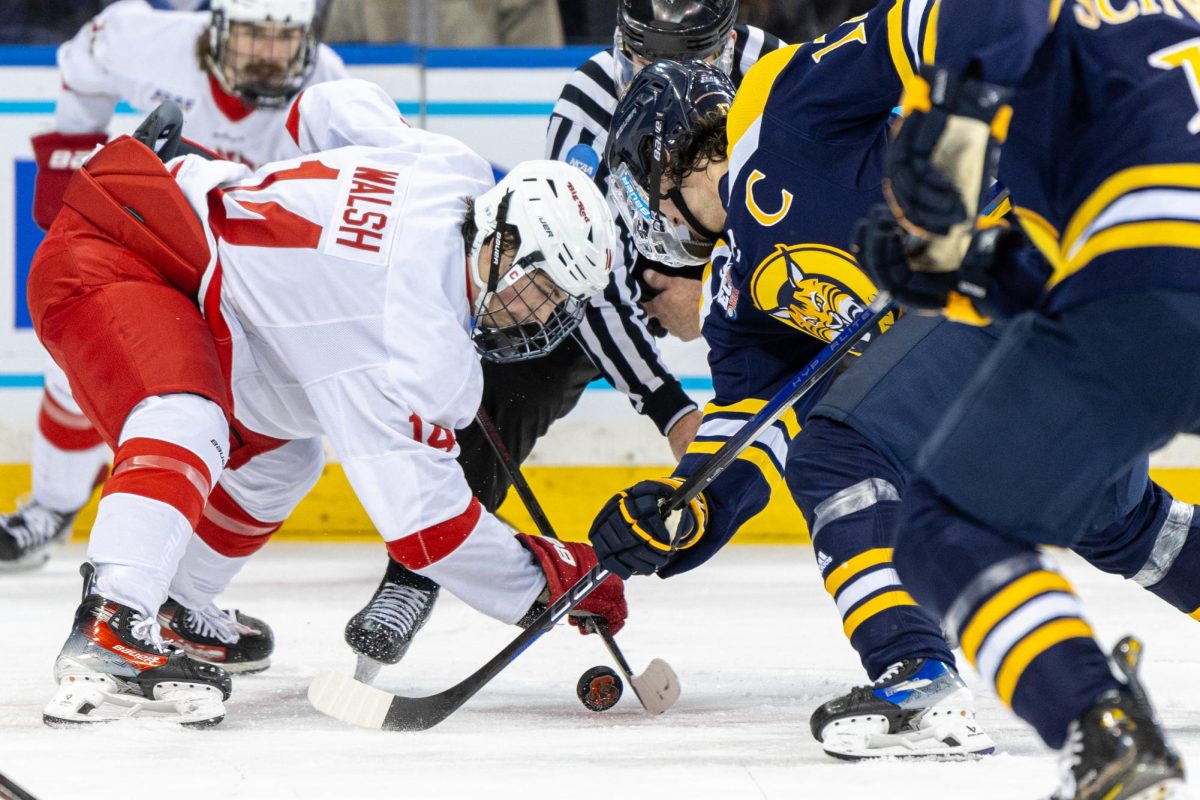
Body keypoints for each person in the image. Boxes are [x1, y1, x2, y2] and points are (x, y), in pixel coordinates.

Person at [588, 17, 1200, 762]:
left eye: (639, 193)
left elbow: (921, 25)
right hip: (1032, 330)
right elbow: (753, 420)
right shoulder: (734, 292)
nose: (648, 220)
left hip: (1041, 257)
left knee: (839, 450)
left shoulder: (777, 105)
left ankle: (917, 677)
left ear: (667, 157)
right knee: (1115, 516)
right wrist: (688, 508)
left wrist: (964, 161)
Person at [31, 77, 626, 726]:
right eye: (544, 291)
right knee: (188, 414)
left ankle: (173, 604)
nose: (543, 316)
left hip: (192, 258)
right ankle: (114, 618)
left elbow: (322, 108)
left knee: (283, 458)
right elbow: (427, 529)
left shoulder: (451, 172)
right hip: (123, 242)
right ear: (505, 248)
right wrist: (543, 582)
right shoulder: (410, 341)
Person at [340, 0, 785, 681]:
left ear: (727, 45)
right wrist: (669, 406)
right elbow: (575, 266)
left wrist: (728, 285)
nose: (661, 76)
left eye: (688, 61)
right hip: (630, 265)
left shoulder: (776, 74)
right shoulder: (591, 95)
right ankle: (416, 570)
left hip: (755, 258)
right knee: (519, 370)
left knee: (827, 396)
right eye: (644, 57)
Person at [853, 0, 1200, 796]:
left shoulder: (1055, 30)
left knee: (949, 528)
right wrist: (971, 271)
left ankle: (1096, 722)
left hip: (1150, 276)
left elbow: (997, 19)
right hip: (1143, 267)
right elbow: (1062, 283)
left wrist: (952, 121)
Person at [4, 0, 348, 575]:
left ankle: (179, 562)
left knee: (246, 418)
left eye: (282, 39)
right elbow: (83, 63)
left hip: (250, 275)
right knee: (72, 368)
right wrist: (69, 156)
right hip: (155, 246)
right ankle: (50, 508)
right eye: (251, 35)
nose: (266, 54)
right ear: (216, 28)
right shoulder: (145, 38)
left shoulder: (330, 87)